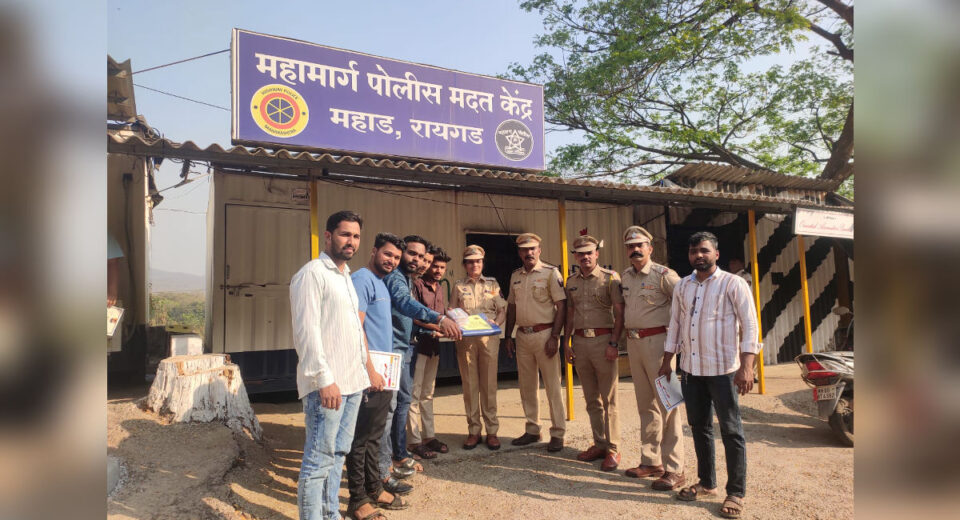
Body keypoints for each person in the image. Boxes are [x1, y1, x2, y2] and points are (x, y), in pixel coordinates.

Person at [289, 210, 385, 520]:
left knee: (337, 455)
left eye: (356, 236)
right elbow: (307, 333)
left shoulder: (345, 276)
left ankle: (331, 515)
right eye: (345, 234)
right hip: (328, 386)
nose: (351, 241)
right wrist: (323, 378)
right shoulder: (312, 274)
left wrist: (365, 370)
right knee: (318, 461)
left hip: (352, 384)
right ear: (328, 236)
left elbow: (355, 331)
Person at [659, 231, 760, 519]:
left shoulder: (734, 283)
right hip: (691, 370)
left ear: (716, 254)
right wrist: (668, 361)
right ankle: (707, 483)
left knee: (731, 431)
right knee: (700, 428)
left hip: (724, 371)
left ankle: (736, 492)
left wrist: (747, 366)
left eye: (704, 250)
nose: (698, 255)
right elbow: (675, 325)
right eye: (693, 251)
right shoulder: (683, 286)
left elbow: (750, 326)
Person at [380, 236, 462, 483]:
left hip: (405, 348)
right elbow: (406, 305)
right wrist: (439, 320)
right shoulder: (397, 278)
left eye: (422, 257)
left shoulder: (405, 278)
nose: (419, 261)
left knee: (404, 401)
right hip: (393, 351)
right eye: (413, 255)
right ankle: (388, 462)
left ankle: (400, 453)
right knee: (392, 408)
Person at [346, 233, 410, 520]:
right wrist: (369, 369)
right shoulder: (362, 279)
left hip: (385, 371)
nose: (392, 261)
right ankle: (357, 500)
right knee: (361, 439)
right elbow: (355, 327)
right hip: (369, 372)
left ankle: (374, 488)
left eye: (396, 258)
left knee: (374, 437)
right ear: (373, 252)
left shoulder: (382, 283)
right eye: (387, 255)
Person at [619, 226, 685, 490]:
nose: (635, 250)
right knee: (645, 405)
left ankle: (675, 468)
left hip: (660, 345)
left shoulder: (664, 276)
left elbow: (686, 307)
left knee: (669, 405)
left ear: (650, 248)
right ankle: (651, 461)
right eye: (630, 246)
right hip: (634, 344)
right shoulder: (626, 276)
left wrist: (678, 347)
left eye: (640, 245)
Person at [563, 235, 625, 471]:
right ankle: (599, 442)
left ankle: (613, 449)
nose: (585, 257)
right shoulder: (571, 282)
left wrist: (613, 343)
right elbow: (570, 314)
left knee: (610, 399)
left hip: (603, 341)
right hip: (580, 342)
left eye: (589, 252)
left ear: (597, 254)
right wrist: (566, 343)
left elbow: (619, 314)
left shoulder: (610, 279)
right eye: (580, 253)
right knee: (591, 398)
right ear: (576, 257)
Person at [503, 233, 567, 452]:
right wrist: (508, 335)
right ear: (519, 253)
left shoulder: (550, 273)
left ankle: (558, 433)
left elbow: (562, 306)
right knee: (527, 386)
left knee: (553, 386)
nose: (529, 253)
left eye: (533, 249)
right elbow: (512, 307)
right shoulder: (515, 276)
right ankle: (532, 429)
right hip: (522, 336)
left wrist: (555, 336)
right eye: (524, 249)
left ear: (539, 250)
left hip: (545, 334)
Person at [450, 245, 507, 450]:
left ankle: (492, 431)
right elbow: (452, 311)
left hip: (488, 340)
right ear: (465, 264)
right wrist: (455, 321)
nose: (474, 264)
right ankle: (474, 431)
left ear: (482, 263)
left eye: (478, 261)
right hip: (466, 342)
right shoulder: (458, 286)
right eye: (470, 261)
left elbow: (502, 309)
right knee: (470, 386)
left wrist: (496, 324)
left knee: (489, 386)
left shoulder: (492, 284)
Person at [407, 246, 453, 458]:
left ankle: (429, 437)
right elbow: (413, 315)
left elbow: (442, 315)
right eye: (435, 266)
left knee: (428, 393)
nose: (438, 270)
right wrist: (437, 326)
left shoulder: (440, 288)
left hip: (434, 347)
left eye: (442, 267)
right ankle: (414, 441)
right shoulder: (416, 284)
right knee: (414, 394)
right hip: (419, 344)